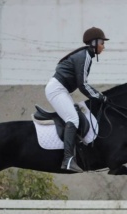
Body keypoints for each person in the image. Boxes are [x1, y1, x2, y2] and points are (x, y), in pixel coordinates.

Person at [45, 27, 109, 173]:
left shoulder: (86, 55)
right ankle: (67, 160)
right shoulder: (85, 56)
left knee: (76, 114)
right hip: (57, 90)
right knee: (73, 119)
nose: (103, 47)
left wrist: (98, 96)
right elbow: (83, 85)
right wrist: (100, 96)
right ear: (94, 43)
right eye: (102, 43)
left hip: (61, 90)